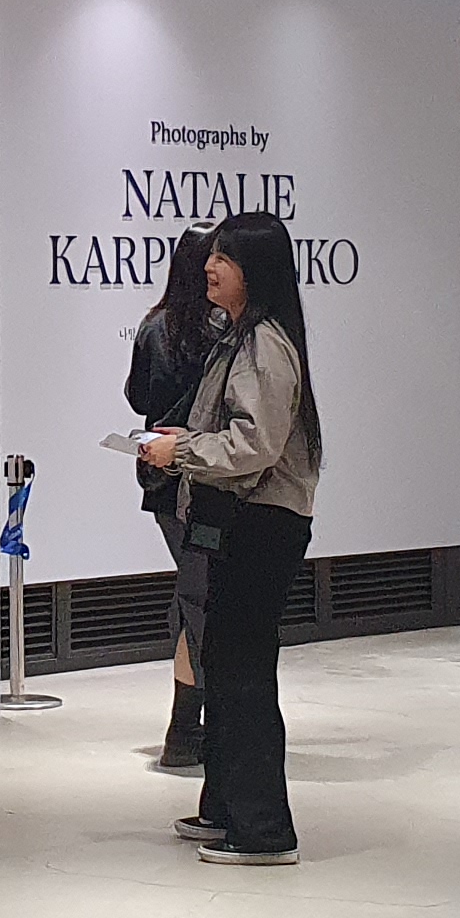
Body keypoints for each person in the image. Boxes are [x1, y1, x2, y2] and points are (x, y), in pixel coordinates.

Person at [140, 212, 322, 866]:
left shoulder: (265, 344)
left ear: (257, 271)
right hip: (237, 520)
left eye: (224, 258)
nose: (210, 267)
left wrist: (182, 451)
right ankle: (225, 807)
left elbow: (254, 445)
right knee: (223, 663)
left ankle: (262, 828)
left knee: (243, 674)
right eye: (210, 255)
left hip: (260, 524)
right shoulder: (237, 336)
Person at [124, 227, 223, 771]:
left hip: (160, 478)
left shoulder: (153, 325)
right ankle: (187, 730)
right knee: (202, 602)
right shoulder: (221, 330)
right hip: (205, 476)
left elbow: (136, 395)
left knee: (193, 596)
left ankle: (187, 727)